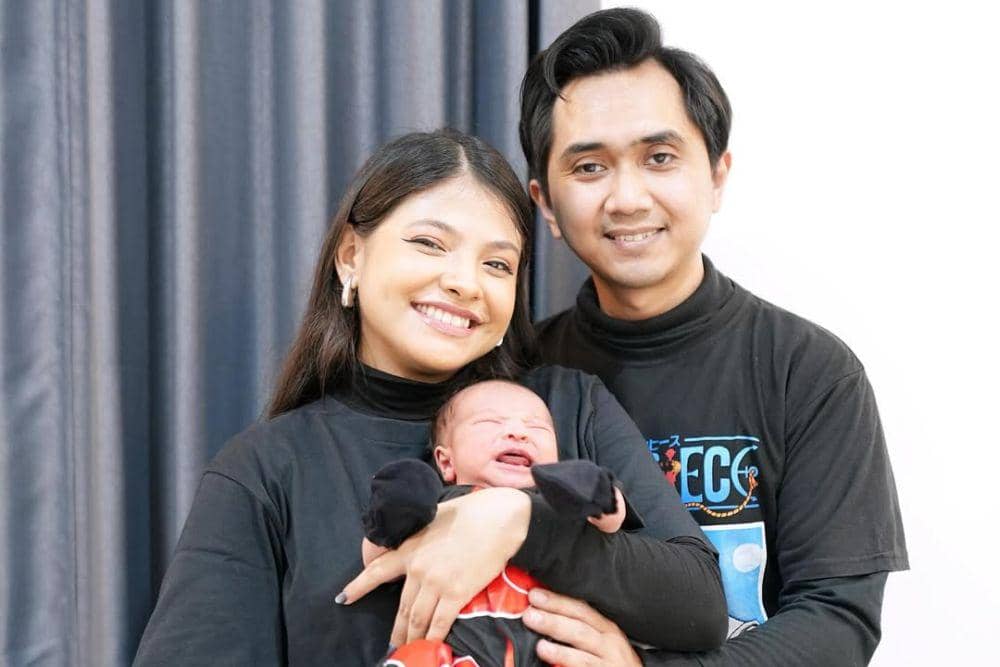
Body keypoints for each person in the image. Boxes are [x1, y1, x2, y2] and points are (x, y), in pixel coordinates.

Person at [133, 129, 727, 665]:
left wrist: (521, 522)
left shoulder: (568, 406)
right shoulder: (266, 469)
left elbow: (699, 607)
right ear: (351, 257)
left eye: (498, 264)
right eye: (429, 243)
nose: (466, 282)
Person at [518, 8, 908, 665]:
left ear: (717, 175)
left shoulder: (808, 371)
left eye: (659, 157)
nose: (627, 197)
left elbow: (838, 621)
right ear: (546, 204)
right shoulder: (516, 373)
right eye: (589, 167)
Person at [366, 379, 639, 666]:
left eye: (537, 427)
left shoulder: (561, 503)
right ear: (446, 462)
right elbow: (377, 562)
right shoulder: (441, 507)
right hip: (458, 651)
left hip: (550, 646)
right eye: (490, 422)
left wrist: (595, 490)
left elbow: (611, 524)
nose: (518, 433)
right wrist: (395, 511)